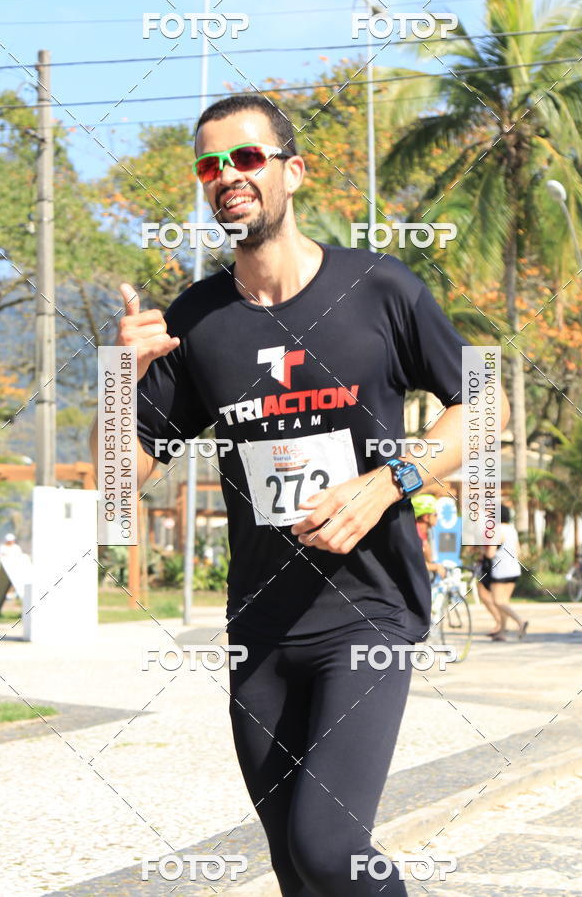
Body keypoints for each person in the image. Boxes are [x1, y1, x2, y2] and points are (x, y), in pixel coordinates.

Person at [90, 94, 510, 895]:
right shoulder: (196, 318)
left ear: (294, 171)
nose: (228, 176)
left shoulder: (380, 287)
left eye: (247, 157)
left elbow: (486, 404)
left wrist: (389, 482)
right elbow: (118, 482)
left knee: (329, 849)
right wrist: (116, 380)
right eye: (210, 165)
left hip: (369, 613)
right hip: (260, 630)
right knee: (295, 869)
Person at [484, 504, 528, 641]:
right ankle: (501, 632)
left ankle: (520, 621)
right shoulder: (511, 529)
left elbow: (490, 553)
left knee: (497, 601)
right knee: (504, 602)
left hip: (500, 570)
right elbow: (518, 550)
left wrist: (482, 551)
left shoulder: (496, 530)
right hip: (514, 569)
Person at [411, 494, 446, 580]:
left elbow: (429, 559)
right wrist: (436, 567)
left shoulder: (425, 533)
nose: (438, 517)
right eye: (435, 514)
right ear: (426, 517)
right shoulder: (414, 533)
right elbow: (414, 563)